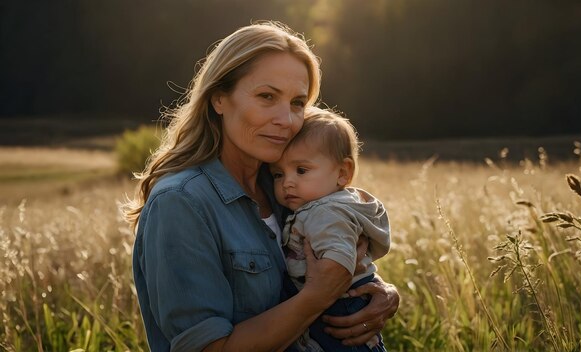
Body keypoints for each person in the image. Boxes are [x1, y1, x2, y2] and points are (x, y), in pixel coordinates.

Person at [123, 21, 399, 352]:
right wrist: (317, 297)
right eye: (267, 96)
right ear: (219, 99)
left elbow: (335, 258)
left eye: (298, 103)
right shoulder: (181, 203)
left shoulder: (285, 186)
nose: (286, 119)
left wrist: (380, 292)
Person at [270, 107, 391, 352]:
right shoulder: (315, 204)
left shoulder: (326, 212)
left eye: (301, 170)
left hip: (340, 308)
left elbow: (339, 265)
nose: (287, 182)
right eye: (278, 174)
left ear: (342, 173)